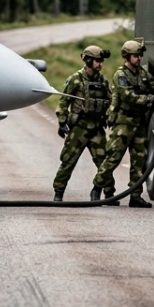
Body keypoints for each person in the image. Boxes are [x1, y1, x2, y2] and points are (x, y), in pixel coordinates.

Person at [97, 38, 154, 207]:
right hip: (123, 123)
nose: (139, 58)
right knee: (113, 158)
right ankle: (97, 188)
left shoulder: (142, 73)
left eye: (140, 55)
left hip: (139, 124)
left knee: (139, 161)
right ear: (127, 57)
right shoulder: (120, 75)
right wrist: (148, 99)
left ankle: (135, 196)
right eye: (135, 56)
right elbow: (128, 96)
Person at [52, 45, 112, 202]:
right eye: (97, 61)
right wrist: (62, 121)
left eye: (101, 61)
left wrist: (109, 116)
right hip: (79, 128)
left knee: (104, 162)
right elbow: (64, 101)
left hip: (97, 128)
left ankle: (107, 192)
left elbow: (111, 102)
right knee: (68, 161)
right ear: (88, 60)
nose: (100, 64)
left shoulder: (103, 82)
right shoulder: (76, 79)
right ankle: (58, 193)